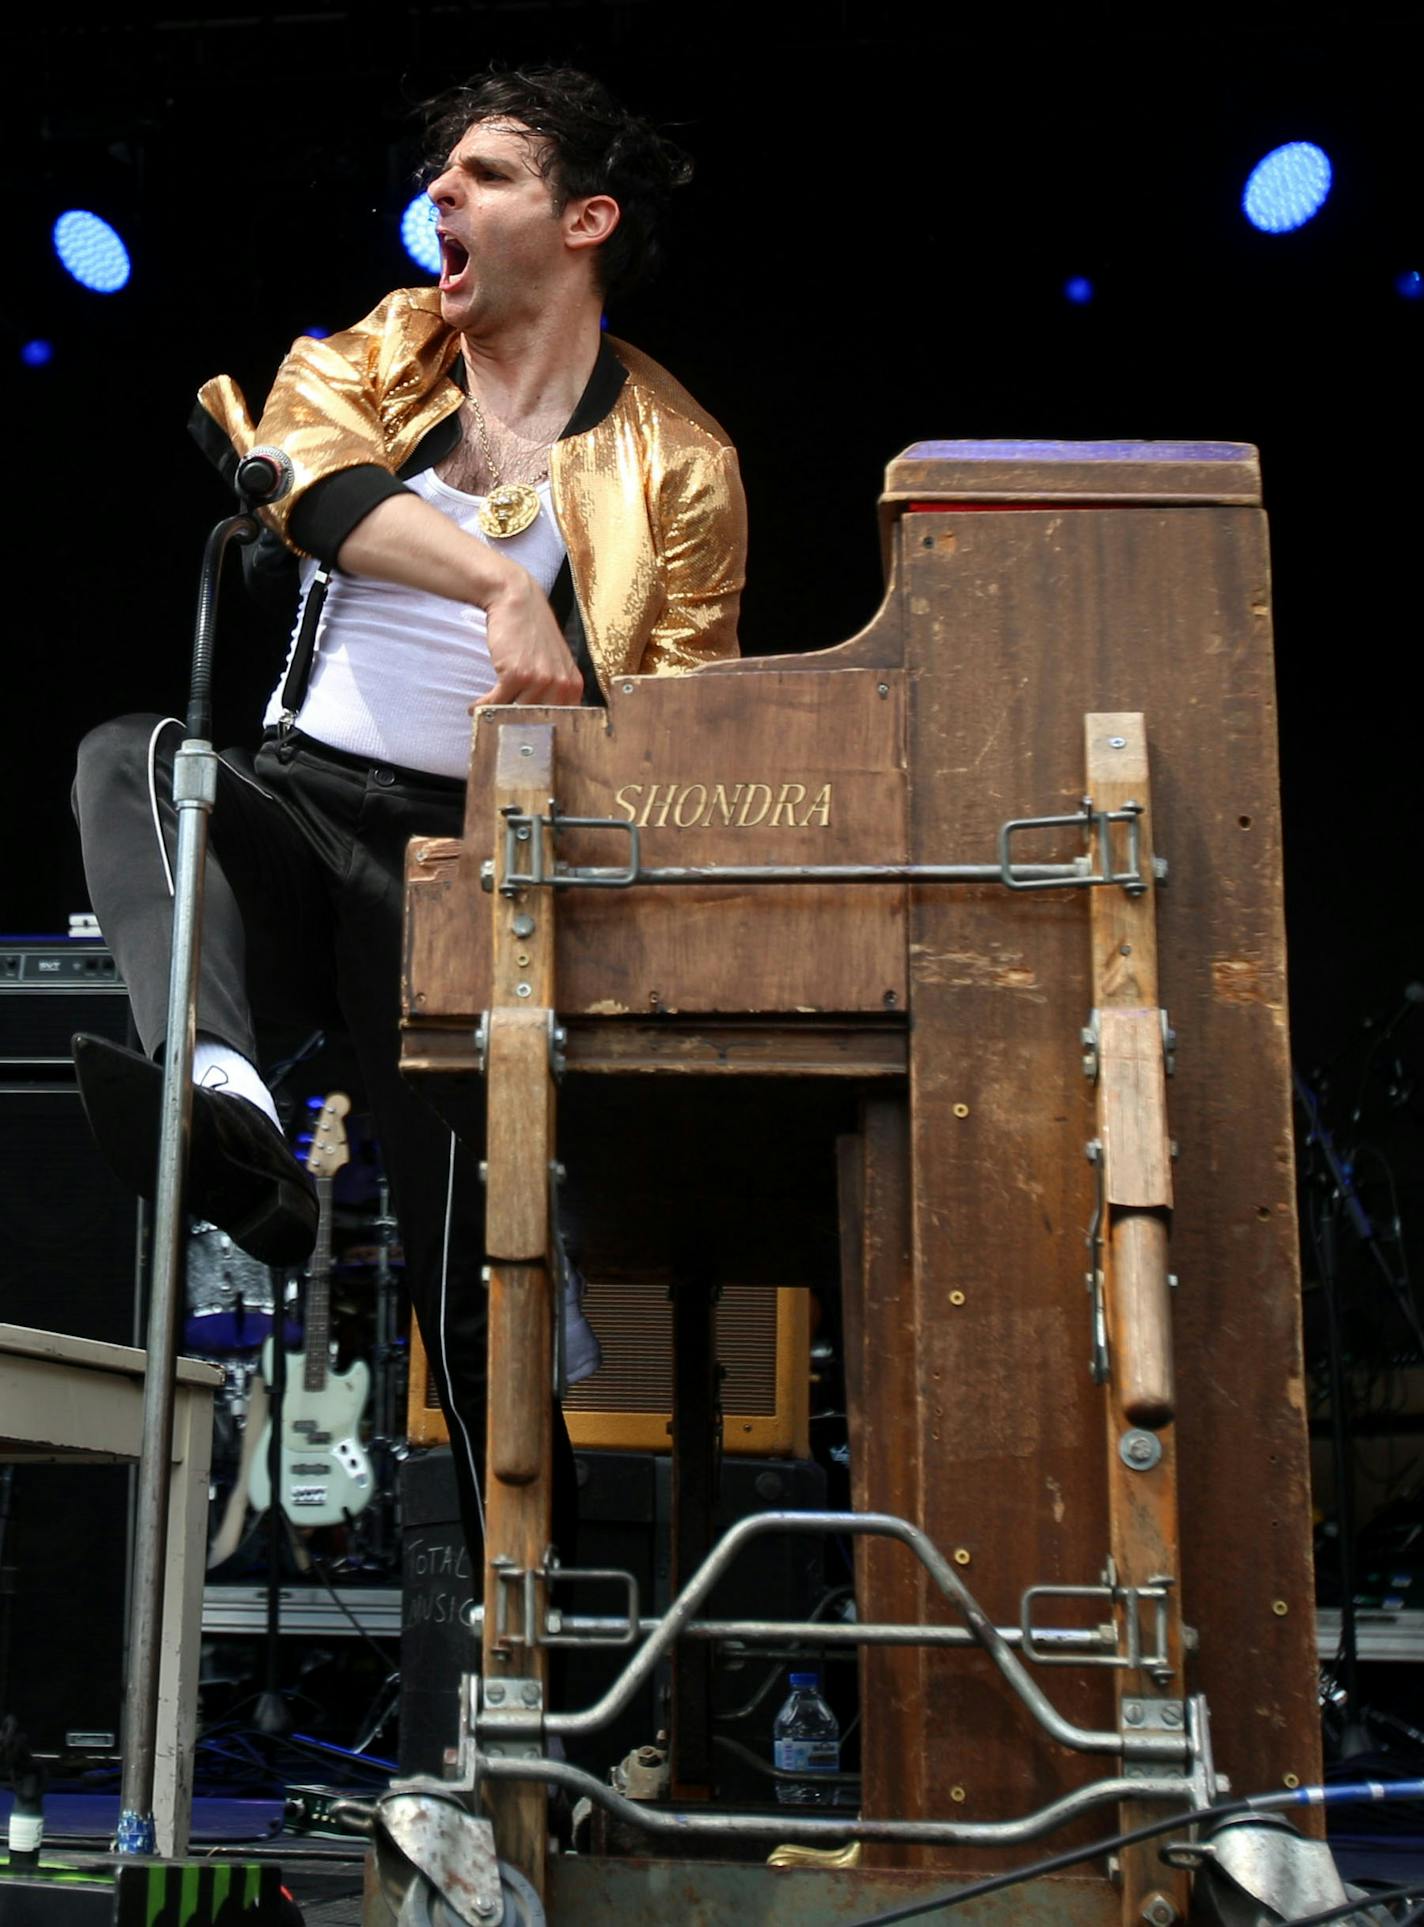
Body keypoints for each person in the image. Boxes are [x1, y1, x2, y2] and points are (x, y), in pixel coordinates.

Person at [72, 66, 747, 1565]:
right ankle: (230, 1096)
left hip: (477, 874)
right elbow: (298, 477)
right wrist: (505, 583)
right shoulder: (394, 340)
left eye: (486, 174)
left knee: (475, 1295)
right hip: (304, 804)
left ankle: (535, 1689)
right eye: (440, 172)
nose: (442, 194)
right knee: (136, 759)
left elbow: (694, 728)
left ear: (584, 220)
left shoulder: (682, 458)